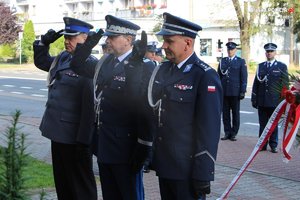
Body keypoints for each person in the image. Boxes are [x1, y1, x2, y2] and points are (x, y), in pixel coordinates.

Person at [69, 15, 155, 200]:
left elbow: (144, 109)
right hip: (104, 143)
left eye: (113, 37)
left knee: (129, 194)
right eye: (108, 36)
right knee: (110, 194)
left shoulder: (144, 65)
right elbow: (77, 66)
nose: (108, 40)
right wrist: (87, 46)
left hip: (127, 147)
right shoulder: (106, 61)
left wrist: (144, 148)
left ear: (128, 40)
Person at [148, 12, 223, 200]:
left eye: (169, 41)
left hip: (188, 169)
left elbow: (209, 129)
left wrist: (204, 172)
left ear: (187, 43)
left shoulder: (204, 76)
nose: (163, 46)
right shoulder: (164, 70)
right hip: (166, 164)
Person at [33, 17, 97, 200]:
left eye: (72, 37)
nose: (67, 41)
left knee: (80, 186)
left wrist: (84, 141)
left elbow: (89, 109)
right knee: (63, 183)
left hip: (74, 137)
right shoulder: (63, 57)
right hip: (58, 132)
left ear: (85, 38)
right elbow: (43, 62)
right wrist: (42, 43)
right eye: (66, 37)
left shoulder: (89, 65)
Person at [251, 43, 288, 153]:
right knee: (262, 124)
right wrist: (254, 98)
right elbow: (256, 84)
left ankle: (273, 144)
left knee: (273, 124)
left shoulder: (281, 66)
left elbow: (285, 85)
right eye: (267, 51)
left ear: (275, 53)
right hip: (262, 101)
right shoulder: (261, 66)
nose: (269, 53)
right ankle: (262, 144)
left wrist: (283, 101)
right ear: (265, 53)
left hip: (274, 101)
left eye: (271, 51)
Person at [218, 42, 248, 141]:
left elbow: (244, 77)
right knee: (225, 114)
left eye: (232, 49)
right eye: (228, 49)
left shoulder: (240, 61)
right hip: (224, 91)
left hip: (235, 92)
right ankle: (227, 132)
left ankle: (234, 133)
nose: (230, 51)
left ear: (235, 50)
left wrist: (242, 91)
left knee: (235, 114)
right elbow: (218, 76)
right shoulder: (223, 61)